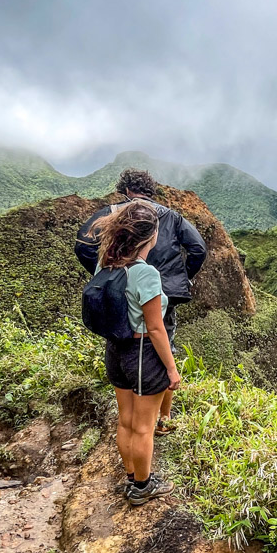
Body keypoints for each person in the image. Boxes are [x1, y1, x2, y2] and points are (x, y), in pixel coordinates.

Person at [76, 169, 207, 435]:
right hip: (162, 294)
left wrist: (106, 273)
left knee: (122, 339)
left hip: (120, 293)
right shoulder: (169, 216)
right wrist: (183, 279)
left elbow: (83, 244)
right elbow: (198, 249)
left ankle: (134, 416)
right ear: (150, 191)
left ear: (124, 190)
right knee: (163, 346)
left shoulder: (112, 212)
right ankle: (162, 418)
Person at [87, 200, 180, 506]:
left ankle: (131, 478)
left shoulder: (106, 263)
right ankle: (142, 486)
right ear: (150, 237)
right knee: (144, 427)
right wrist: (171, 369)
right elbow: (156, 329)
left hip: (115, 349)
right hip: (142, 353)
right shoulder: (146, 274)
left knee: (126, 421)